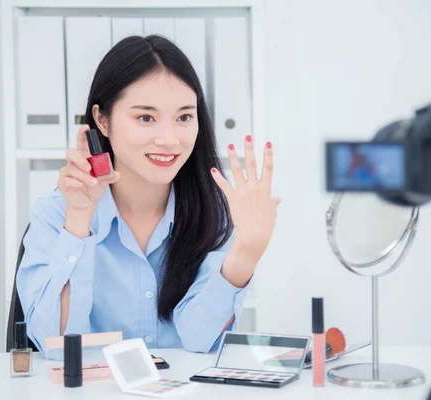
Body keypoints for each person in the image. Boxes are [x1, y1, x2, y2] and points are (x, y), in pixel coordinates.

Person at [16, 35, 280, 359]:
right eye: (145, 118)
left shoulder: (216, 212)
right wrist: (80, 219)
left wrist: (247, 253)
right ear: (103, 120)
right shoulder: (56, 215)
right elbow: (57, 346)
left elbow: (199, 339)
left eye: (184, 117)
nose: (169, 140)